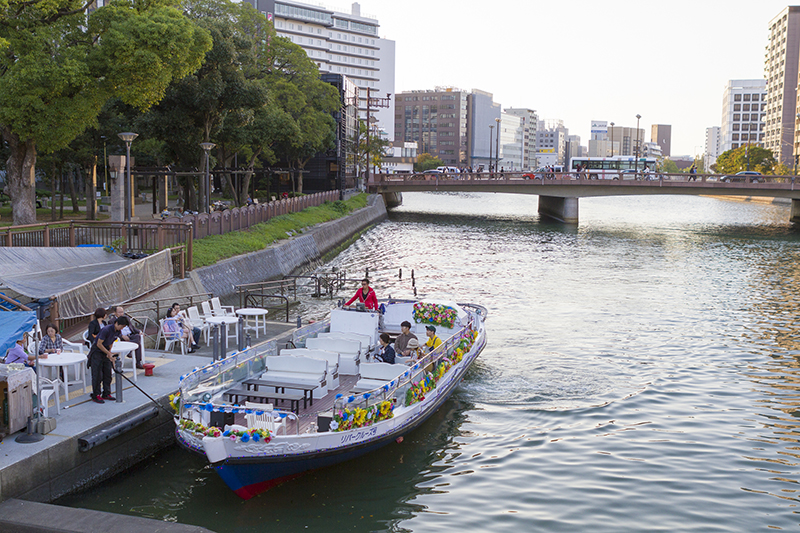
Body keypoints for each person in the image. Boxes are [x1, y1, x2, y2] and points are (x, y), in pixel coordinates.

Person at [87, 317, 128, 403]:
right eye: (121, 326)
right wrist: (108, 353)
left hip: (105, 350)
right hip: (97, 351)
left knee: (107, 373)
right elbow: (98, 343)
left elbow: (111, 342)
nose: (122, 328)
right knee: (97, 374)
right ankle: (96, 394)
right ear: (116, 323)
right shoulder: (106, 329)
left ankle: (106, 392)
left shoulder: (117, 332)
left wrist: (109, 352)